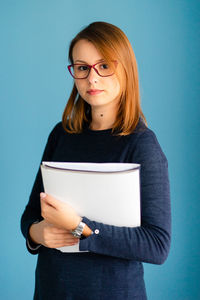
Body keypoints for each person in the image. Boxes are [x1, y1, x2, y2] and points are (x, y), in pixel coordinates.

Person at [21, 21, 171, 300]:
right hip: (51, 290)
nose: (92, 78)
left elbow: (157, 245)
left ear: (125, 69)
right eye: (82, 67)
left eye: (104, 66)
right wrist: (36, 233)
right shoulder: (61, 134)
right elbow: (31, 212)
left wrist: (80, 227)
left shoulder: (142, 145)